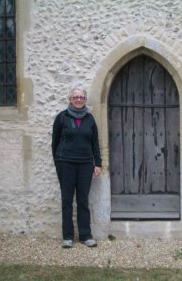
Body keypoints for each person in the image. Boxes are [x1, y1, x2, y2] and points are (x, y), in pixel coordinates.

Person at [51, 87, 102, 248]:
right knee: (67, 201)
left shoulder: (90, 119)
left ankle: (86, 236)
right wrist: (58, 161)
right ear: (70, 99)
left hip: (85, 164)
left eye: (82, 97)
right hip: (65, 163)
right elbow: (55, 141)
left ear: (85, 100)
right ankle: (67, 237)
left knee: (83, 201)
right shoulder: (62, 117)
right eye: (76, 97)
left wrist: (98, 163)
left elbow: (95, 143)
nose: (79, 99)